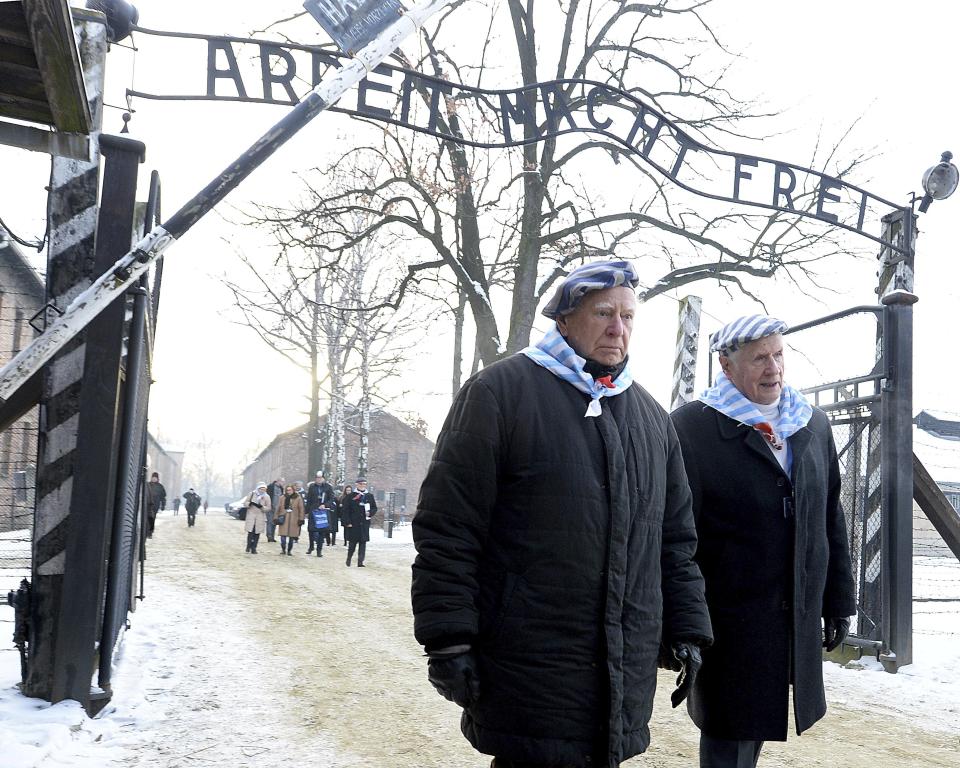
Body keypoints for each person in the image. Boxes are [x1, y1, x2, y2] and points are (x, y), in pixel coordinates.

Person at [411, 259, 712, 768]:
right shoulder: (499, 394)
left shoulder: (651, 418)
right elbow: (449, 528)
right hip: (529, 663)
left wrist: (686, 628)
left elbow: (674, 540)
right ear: (565, 320)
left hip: (622, 665)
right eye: (603, 313)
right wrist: (448, 638)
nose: (618, 328)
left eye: (628, 316)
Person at [670, 314, 856, 768]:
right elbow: (675, 535)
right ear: (726, 366)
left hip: (789, 614)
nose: (773, 367)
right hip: (726, 622)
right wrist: (683, 622)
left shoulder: (811, 424)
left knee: (750, 734)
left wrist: (838, 601)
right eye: (758, 359)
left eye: (778, 355)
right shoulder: (691, 428)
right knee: (728, 733)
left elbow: (829, 516)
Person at [343, 478, 376, 567]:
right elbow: (346, 510)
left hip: (364, 523)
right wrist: (348, 522)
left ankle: (360, 561)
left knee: (363, 543)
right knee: (352, 543)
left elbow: (374, 508)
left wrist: (370, 513)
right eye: (360, 484)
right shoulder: (350, 496)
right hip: (354, 523)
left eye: (364, 484)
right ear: (356, 485)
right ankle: (349, 558)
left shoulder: (369, 496)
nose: (362, 486)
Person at [306, 472, 335, 554]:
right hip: (313, 510)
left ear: (323, 478)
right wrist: (307, 510)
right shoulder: (312, 487)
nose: (319, 479)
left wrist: (325, 505)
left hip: (323, 511)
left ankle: (319, 550)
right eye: (317, 478)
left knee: (322, 530)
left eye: (320, 477)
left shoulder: (328, 487)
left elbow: (331, 499)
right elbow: (309, 499)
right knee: (311, 530)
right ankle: (311, 546)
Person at [275, 483, 306, 555]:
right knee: (283, 536)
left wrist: (301, 519)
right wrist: (276, 517)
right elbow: (278, 508)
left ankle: (289, 550)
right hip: (284, 518)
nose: (288, 491)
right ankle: (283, 549)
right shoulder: (282, 497)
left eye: (290, 490)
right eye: (287, 490)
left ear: (293, 490)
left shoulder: (298, 498)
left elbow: (301, 509)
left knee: (292, 537)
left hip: (294, 520)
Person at [244, 482, 271, 554]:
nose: (262, 490)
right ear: (258, 488)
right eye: (261, 489)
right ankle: (248, 546)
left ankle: (254, 548)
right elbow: (245, 502)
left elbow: (268, 507)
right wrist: (249, 504)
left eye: (264, 489)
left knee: (257, 533)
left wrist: (262, 507)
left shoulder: (267, 496)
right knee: (250, 532)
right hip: (251, 515)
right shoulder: (252, 494)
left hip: (260, 516)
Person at [144, 472, 166, 538]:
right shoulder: (148, 485)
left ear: (157, 478)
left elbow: (163, 497)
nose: (154, 479)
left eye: (155, 478)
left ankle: (150, 532)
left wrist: (163, 505)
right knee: (146, 518)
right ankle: (145, 531)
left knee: (152, 519)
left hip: (155, 505)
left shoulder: (160, 487)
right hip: (147, 505)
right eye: (153, 477)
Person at [265, 477, 284, 543]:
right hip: (271, 508)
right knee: (270, 522)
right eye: (282, 482)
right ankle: (269, 536)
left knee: (274, 523)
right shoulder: (270, 487)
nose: (283, 483)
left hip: (278, 509)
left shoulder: (281, 488)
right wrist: (269, 505)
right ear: (278, 481)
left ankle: (272, 537)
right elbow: (267, 497)